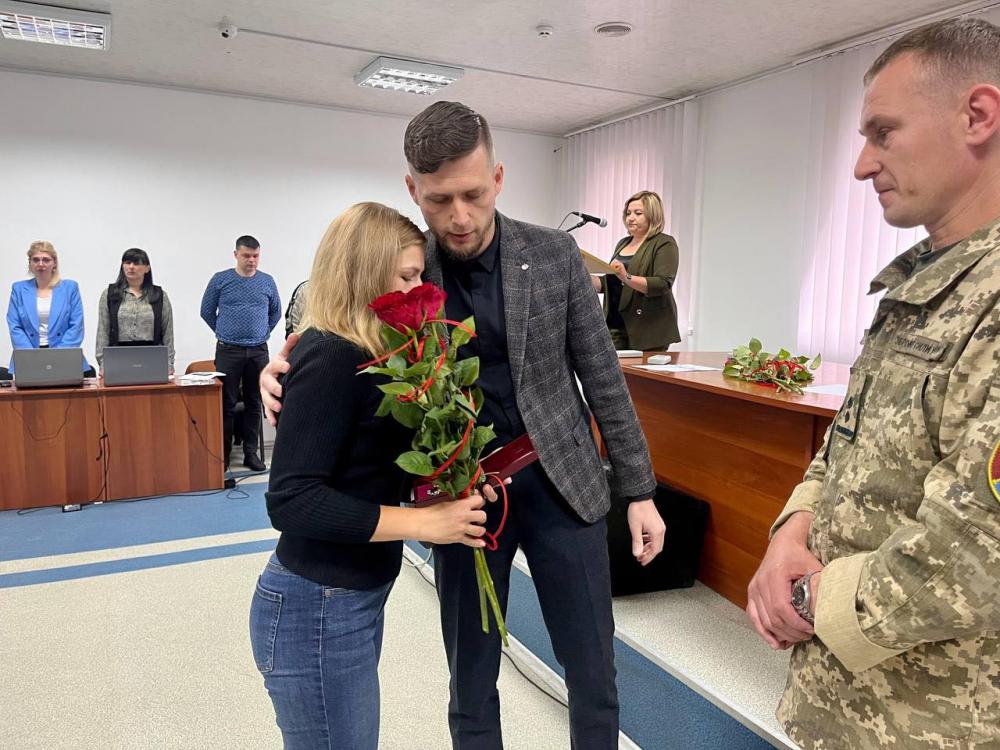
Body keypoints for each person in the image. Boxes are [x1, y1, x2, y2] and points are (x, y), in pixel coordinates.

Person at [262, 101, 666, 750]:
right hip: (461, 497)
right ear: (412, 189)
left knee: (593, 671)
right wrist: (280, 365)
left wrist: (639, 490)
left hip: (563, 483)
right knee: (472, 681)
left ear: (498, 178)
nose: (459, 216)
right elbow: (331, 317)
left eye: (474, 195)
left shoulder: (554, 255)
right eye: (440, 199)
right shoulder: (402, 263)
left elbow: (602, 377)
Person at [746, 18, 1000, 750]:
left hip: (942, 721)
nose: (862, 166)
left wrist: (797, 597)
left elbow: (975, 549)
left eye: (883, 133)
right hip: (847, 705)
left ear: (978, 116)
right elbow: (846, 446)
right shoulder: (921, 282)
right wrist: (789, 535)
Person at [249, 201, 492, 750]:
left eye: (420, 277)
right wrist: (424, 524)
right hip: (316, 602)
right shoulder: (332, 355)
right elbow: (292, 500)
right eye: (405, 277)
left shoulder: (373, 353)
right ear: (363, 274)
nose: (417, 291)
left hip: (345, 597)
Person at [200, 235, 280, 472]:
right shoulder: (221, 280)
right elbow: (206, 311)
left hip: (258, 351)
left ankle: (250, 454)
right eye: (246, 255)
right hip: (229, 350)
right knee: (227, 403)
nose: (251, 260)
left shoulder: (267, 281)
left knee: (255, 402)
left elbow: (275, 312)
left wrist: (263, 332)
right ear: (236, 255)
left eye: (255, 256)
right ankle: (223, 455)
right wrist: (224, 332)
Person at [590, 191, 681, 351]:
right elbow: (612, 281)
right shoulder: (623, 243)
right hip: (615, 326)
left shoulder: (664, 243)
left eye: (638, 213)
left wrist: (626, 276)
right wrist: (585, 278)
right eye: (628, 213)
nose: (630, 218)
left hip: (648, 329)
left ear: (653, 215)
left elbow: (662, 284)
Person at [6, 240, 92, 375]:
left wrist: (56, 357)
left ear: (54, 263)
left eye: (46, 260)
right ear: (30, 263)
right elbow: (15, 325)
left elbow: (76, 325)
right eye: (36, 260)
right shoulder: (19, 289)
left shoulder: (70, 288)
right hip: (28, 358)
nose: (41, 264)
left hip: (64, 356)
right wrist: (31, 357)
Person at [95, 248, 175, 374]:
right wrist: (102, 363)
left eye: (136, 263)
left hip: (152, 356)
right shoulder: (110, 294)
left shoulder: (159, 295)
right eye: (127, 263)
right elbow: (103, 330)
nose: (131, 267)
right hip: (118, 356)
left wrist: (169, 363)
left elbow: (167, 332)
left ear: (147, 268)